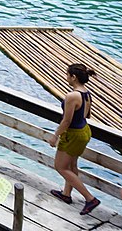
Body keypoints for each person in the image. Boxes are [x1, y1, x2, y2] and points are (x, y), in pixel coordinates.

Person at [48, 63, 100, 213]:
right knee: (71, 166)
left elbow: (66, 120)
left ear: (74, 77)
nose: (66, 78)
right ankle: (66, 194)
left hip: (73, 134)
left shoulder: (72, 96)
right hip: (84, 130)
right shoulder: (86, 93)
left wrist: (55, 136)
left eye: (67, 75)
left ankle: (90, 199)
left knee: (60, 167)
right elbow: (87, 114)